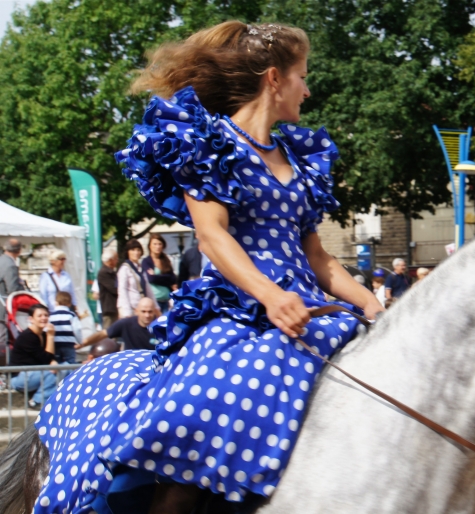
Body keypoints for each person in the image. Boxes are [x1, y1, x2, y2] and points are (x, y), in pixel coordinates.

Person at [34, 21, 386, 512]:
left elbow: (318, 257)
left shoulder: (301, 159)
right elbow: (212, 236)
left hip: (308, 309)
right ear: (273, 78)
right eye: (302, 76)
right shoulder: (212, 144)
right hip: (236, 308)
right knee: (211, 413)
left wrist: (373, 304)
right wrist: (269, 295)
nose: (308, 89)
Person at [9, 303, 58, 408]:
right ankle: (37, 401)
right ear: (31, 319)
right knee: (52, 373)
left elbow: (50, 357)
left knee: (65, 368)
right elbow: (46, 358)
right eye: (39, 316)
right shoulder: (27, 337)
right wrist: (50, 336)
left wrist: (53, 361)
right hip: (19, 378)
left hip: (35, 374)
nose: (44, 318)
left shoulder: (43, 335)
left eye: (46, 315)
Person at [76, 297, 158, 351]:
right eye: (143, 311)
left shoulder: (161, 327)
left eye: (150, 312)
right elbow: (103, 334)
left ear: (154, 312)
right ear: (136, 311)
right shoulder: (126, 324)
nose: (147, 315)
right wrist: (83, 343)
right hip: (131, 365)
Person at [117, 239, 160, 318]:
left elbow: (148, 289)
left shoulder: (140, 268)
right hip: (130, 308)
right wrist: (127, 312)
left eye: (138, 250)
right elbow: (122, 290)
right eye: (133, 250)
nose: (136, 253)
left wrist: (156, 307)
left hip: (141, 308)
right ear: (128, 252)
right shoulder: (125, 269)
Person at [142, 234, 178, 314]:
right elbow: (151, 279)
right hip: (155, 301)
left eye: (159, 244)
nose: (157, 246)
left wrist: (157, 276)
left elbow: (173, 278)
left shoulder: (166, 260)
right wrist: (166, 278)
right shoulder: (147, 261)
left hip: (167, 300)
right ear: (150, 246)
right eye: (155, 244)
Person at [48, 291, 82, 363]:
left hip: (55, 344)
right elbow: (77, 329)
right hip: (68, 343)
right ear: (69, 304)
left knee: (58, 363)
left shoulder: (51, 316)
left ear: (56, 302)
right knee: (71, 362)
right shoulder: (71, 315)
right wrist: (79, 341)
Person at [0, 239, 23, 345]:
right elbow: (13, 291)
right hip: (3, 308)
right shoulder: (10, 265)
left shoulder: (1, 260)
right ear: (19, 251)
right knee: (3, 340)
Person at [97, 247, 119, 329]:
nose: (117, 261)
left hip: (114, 308)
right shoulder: (104, 273)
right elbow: (114, 288)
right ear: (110, 260)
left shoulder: (111, 272)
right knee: (108, 334)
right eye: (116, 259)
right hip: (109, 309)